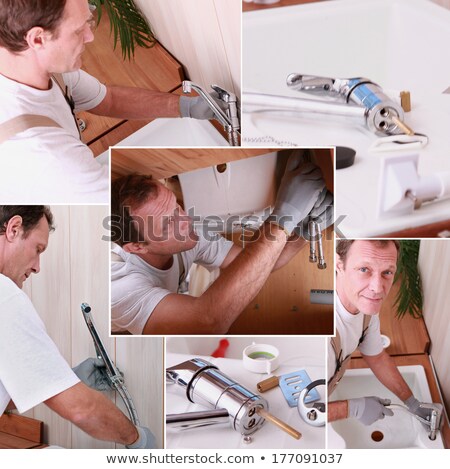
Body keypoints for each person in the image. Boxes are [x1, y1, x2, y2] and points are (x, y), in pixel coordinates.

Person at [0, 0, 222, 203]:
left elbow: (109, 99)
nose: (90, 36)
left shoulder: (39, 66)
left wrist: (187, 106)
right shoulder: (47, 154)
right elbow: (128, 213)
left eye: (89, 20)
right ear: (38, 39)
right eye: (79, 30)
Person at [110, 153, 333, 334]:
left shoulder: (187, 232)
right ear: (136, 247)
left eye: (176, 206)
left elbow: (256, 266)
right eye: (169, 223)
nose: (186, 220)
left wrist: (304, 232)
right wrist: (283, 217)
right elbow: (206, 322)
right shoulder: (119, 285)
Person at [0, 205, 155, 448]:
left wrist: (64, 379)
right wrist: (136, 439)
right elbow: (82, 409)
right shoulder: (4, 295)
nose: (37, 267)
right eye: (38, 249)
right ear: (13, 229)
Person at [328, 239, 440, 428]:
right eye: (364, 269)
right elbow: (303, 411)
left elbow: (377, 357)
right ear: (340, 266)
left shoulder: (365, 308)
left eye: (387, 272)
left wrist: (412, 403)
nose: (377, 288)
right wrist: (352, 408)